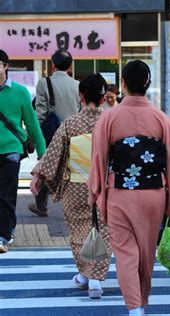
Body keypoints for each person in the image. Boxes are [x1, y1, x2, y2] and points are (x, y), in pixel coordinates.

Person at [88, 60, 170, 316]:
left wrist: (96, 190)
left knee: (125, 252)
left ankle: (135, 308)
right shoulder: (160, 118)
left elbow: (99, 158)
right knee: (146, 253)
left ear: (123, 84)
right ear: (147, 84)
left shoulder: (109, 118)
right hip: (153, 193)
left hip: (119, 194)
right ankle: (142, 302)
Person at [30, 74, 112, 299]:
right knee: (103, 229)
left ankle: (86, 275)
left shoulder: (71, 123)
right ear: (104, 99)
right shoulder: (112, 122)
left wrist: (38, 175)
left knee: (79, 231)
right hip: (106, 185)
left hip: (77, 184)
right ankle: (92, 278)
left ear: (81, 97)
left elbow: (54, 153)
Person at [0, 50, 46, 253]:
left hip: (11, 150)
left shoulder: (20, 92)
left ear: (5, 66)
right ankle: (8, 227)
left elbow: (32, 125)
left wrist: (43, 154)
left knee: (6, 196)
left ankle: (4, 236)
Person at [29, 49, 81, 217]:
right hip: (73, 134)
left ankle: (42, 206)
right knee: (70, 170)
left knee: (45, 169)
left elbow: (40, 113)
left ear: (53, 65)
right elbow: (79, 111)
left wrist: (33, 135)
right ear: (70, 65)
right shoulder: (78, 85)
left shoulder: (45, 83)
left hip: (51, 134)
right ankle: (73, 207)